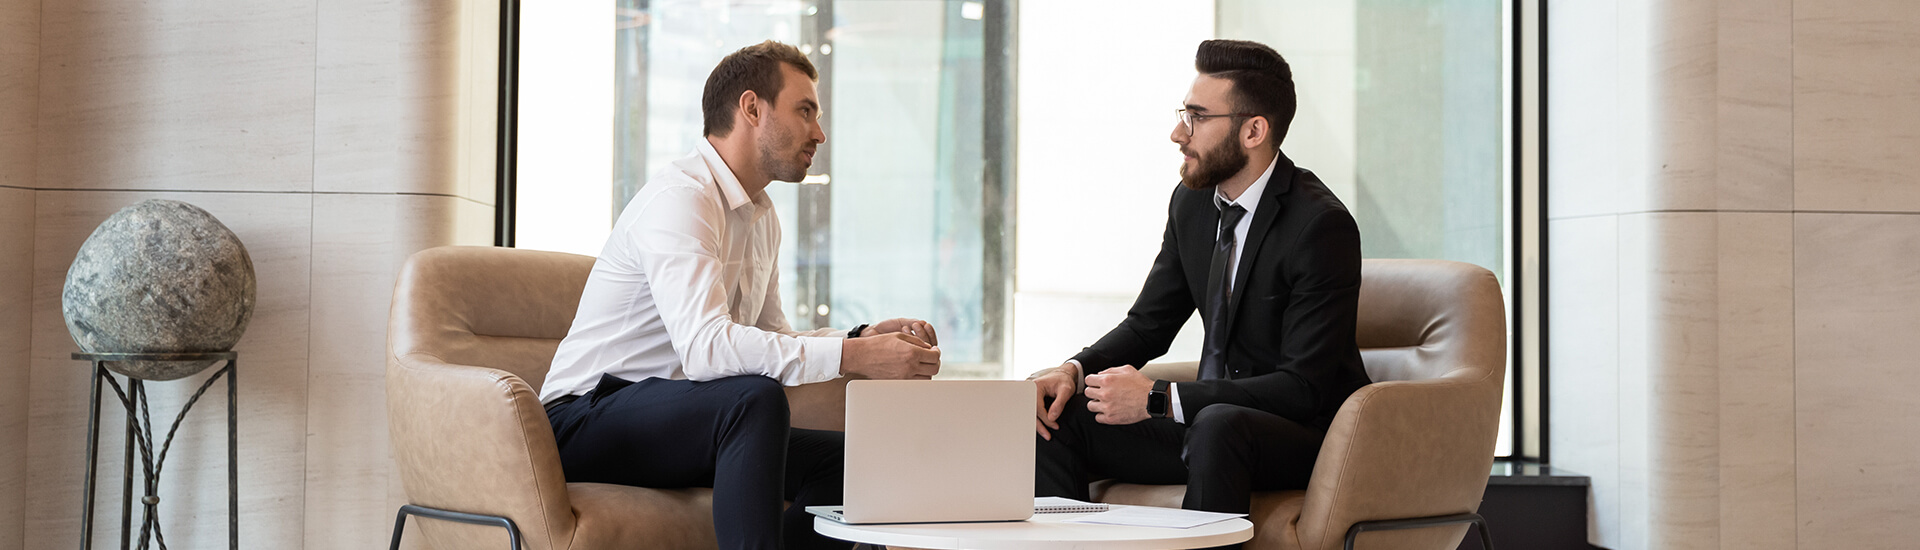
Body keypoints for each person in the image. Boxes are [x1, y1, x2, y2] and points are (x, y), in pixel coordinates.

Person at [539, 40, 941, 550]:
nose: (820, 133)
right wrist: (854, 354)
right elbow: (707, 350)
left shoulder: (761, 216)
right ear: (753, 108)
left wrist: (860, 337)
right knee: (754, 399)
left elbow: (768, 340)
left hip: (686, 417)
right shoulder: (682, 198)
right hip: (583, 418)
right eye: (805, 111)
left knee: (855, 464)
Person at [1028, 39, 1372, 533]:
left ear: (1254, 130)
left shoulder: (1319, 226)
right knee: (1054, 416)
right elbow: (1149, 324)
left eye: (1196, 118)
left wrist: (1158, 398)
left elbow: (1303, 387)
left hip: (1300, 433)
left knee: (1218, 425)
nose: (1176, 133)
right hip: (1209, 425)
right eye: (1182, 115)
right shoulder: (1191, 205)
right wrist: (1073, 371)